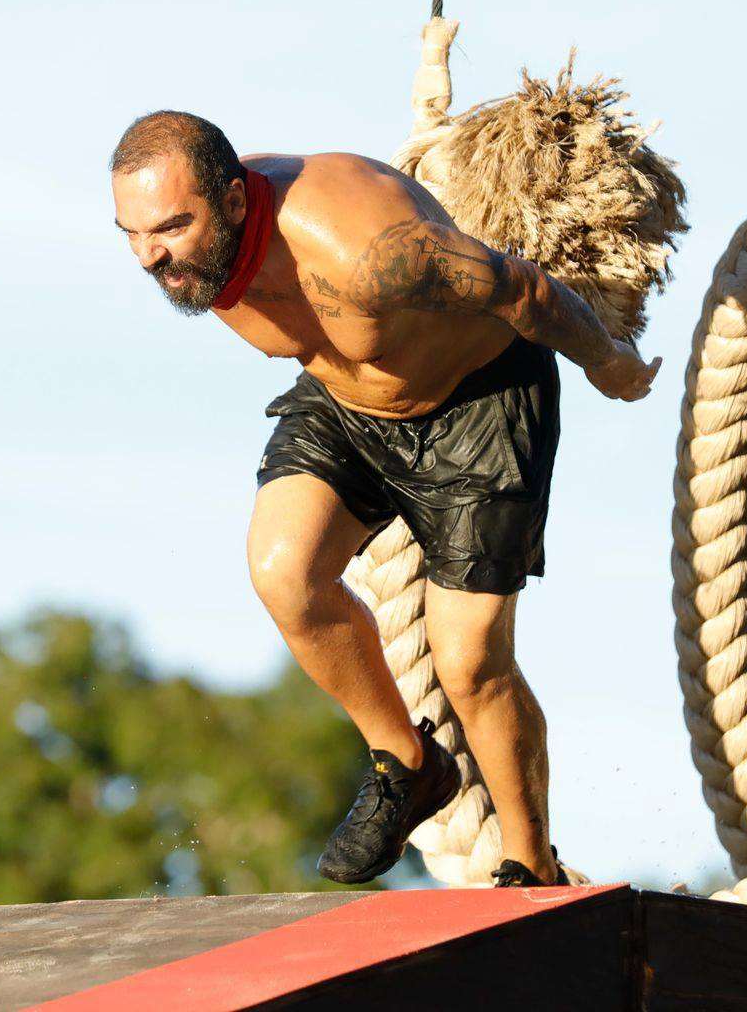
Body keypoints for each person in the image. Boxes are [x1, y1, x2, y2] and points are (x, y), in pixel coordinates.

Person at [108, 111, 659, 888]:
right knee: (283, 573)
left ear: (235, 201)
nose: (148, 254)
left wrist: (610, 362)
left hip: (478, 411)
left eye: (169, 227)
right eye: (129, 233)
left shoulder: (367, 248)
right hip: (344, 406)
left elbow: (521, 285)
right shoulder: (200, 254)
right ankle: (408, 764)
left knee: (468, 662)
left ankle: (531, 864)